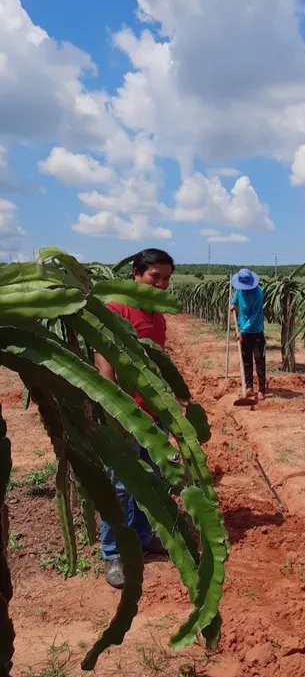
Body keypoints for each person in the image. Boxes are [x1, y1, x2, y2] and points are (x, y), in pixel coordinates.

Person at [95, 248, 175, 588]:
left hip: (152, 413)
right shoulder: (117, 308)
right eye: (154, 277)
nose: (160, 284)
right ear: (136, 274)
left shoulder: (158, 316)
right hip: (125, 414)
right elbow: (104, 353)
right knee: (121, 486)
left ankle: (143, 537)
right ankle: (114, 553)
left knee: (152, 480)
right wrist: (115, 404)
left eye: (166, 279)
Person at [231, 268, 266, 401]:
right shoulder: (240, 288)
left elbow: (254, 316)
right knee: (246, 361)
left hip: (256, 331)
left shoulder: (258, 294)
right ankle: (249, 387)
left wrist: (243, 331)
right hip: (243, 330)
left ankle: (262, 389)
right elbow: (236, 295)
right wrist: (233, 304)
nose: (243, 289)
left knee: (259, 360)